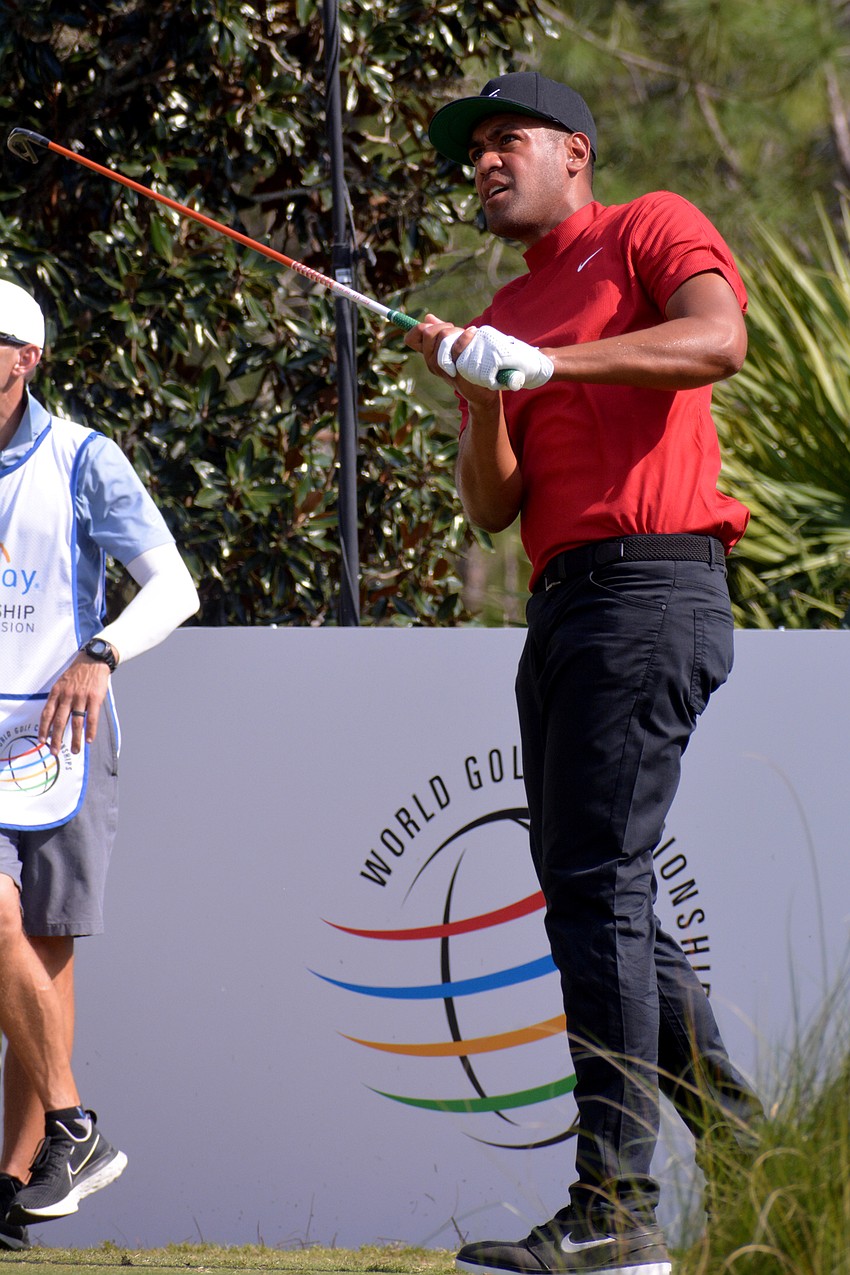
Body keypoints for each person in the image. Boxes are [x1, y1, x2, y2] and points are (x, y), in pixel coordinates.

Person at [405, 71, 763, 1275]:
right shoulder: (509, 302)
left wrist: (550, 366)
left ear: (577, 151)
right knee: (595, 898)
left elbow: (717, 340)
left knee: (598, 891)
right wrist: (480, 392)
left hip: (654, 589)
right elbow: (497, 508)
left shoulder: (647, 226)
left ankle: (615, 1210)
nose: (486, 164)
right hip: (562, 605)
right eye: (476, 152)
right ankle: (763, 1166)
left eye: (508, 142)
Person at [0, 279, 199, 1250]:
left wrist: (103, 652)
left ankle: (14, 1186)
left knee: (39, 958)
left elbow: (174, 586)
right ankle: (77, 1122)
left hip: (59, 740)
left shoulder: (84, 459)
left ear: (25, 360)